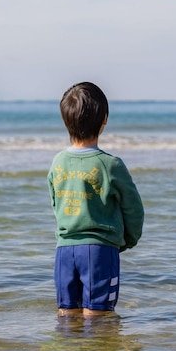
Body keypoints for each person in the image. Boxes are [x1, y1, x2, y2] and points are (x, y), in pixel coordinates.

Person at [48, 82, 145, 317]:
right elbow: (133, 209)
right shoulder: (110, 165)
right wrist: (127, 240)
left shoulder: (58, 162)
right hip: (99, 250)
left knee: (67, 314)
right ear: (104, 120)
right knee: (99, 316)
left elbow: (56, 203)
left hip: (64, 250)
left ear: (65, 121)